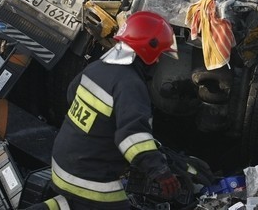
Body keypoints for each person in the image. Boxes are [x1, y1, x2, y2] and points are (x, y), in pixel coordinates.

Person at [27, 11, 182, 210]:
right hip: (89, 182)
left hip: (60, 167)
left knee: (74, 204)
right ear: (148, 50)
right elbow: (132, 138)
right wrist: (161, 172)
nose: (160, 61)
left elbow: (71, 94)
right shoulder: (130, 84)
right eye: (159, 54)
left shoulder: (96, 67)